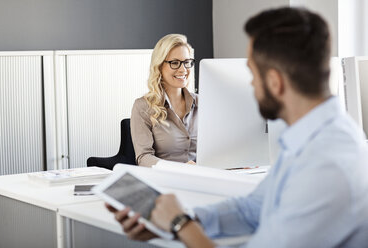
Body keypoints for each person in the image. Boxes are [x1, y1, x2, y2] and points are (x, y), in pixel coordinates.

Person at [107, 7, 368, 247]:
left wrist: (180, 224)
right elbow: (251, 209)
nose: (251, 86)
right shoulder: (305, 141)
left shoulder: (327, 164)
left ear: (275, 82)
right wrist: (174, 219)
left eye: (252, 75)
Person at [131, 34, 198, 167]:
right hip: (166, 181)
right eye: (174, 63)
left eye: (186, 62)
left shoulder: (203, 103)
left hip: (204, 177)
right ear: (159, 66)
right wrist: (180, 169)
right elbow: (143, 158)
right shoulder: (143, 107)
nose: (183, 69)